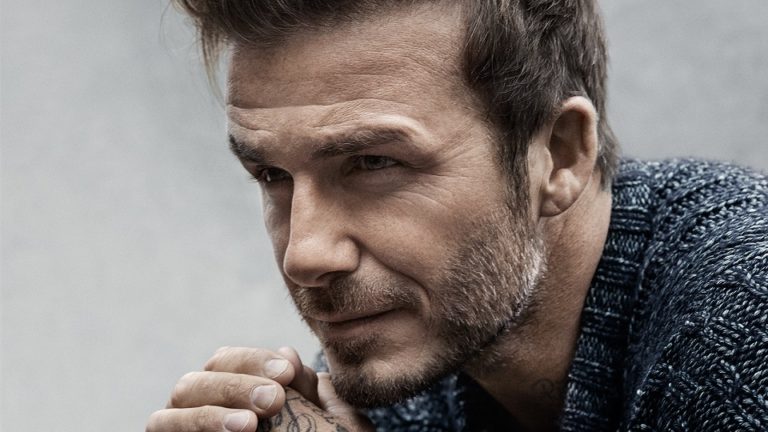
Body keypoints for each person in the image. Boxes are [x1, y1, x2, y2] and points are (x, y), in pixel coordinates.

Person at [146, 1, 768, 431]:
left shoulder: (743, 319)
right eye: (272, 176)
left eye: (373, 163)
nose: (304, 254)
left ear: (559, 156)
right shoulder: (416, 362)